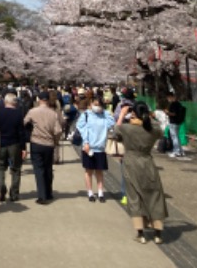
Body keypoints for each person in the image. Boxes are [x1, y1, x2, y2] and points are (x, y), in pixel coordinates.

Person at [116, 101, 168, 244]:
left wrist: (121, 114)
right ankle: (158, 234)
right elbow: (160, 129)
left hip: (131, 163)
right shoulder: (153, 129)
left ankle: (141, 234)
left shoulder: (126, 128)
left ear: (133, 114)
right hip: (147, 163)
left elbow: (115, 130)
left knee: (134, 198)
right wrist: (147, 118)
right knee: (155, 196)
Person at [24, 90, 63, 205]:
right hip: (49, 143)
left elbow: (24, 122)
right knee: (48, 168)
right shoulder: (53, 113)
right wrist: (55, 141)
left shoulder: (32, 111)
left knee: (38, 169)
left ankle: (42, 195)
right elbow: (58, 130)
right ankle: (49, 192)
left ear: (39, 100)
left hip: (36, 142)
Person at [0, 92, 28, 202]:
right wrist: (24, 148)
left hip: (1, 143)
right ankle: (14, 193)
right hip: (15, 144)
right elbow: (21, 132)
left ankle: (1, 186)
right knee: (16, 169)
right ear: (15, 102)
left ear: (5, 102)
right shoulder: (18, 114)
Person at [77, 96, 115, 202]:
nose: (97, 107)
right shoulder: (86, 115)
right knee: (88, 171)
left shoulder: (104, 115)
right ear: (90, 104)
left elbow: (112, 123)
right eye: (95, 104)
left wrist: (106, 111)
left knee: (99, 171)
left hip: (100, 147)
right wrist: (86, 142)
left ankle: (100, 192)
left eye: (99, 105)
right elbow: (81, 128)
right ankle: (90, 192)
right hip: (88, 147)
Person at [166, 92, 186, 158]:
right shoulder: (179, 104)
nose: (168, 99)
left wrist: (167, 113)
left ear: (171, 97)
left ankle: (176, 151)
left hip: (173, 122)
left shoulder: (173, 104)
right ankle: (180, 151)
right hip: (178, 122)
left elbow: (173, 114)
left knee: (174, 137)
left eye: (168, 97)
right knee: (177, 137)